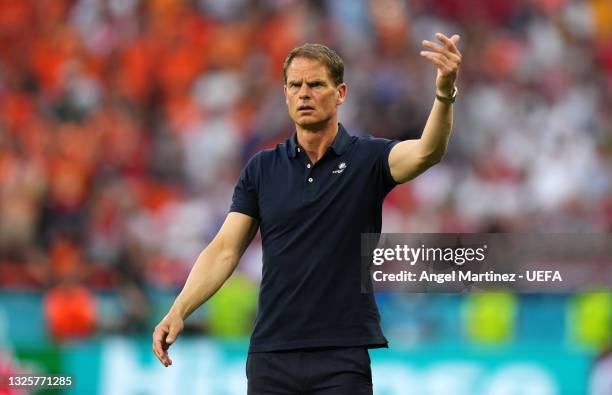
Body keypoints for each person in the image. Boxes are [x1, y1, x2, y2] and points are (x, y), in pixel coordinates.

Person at [152, 33, 462, 394]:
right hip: (272, 355)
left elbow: (428, 152)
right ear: (284, 94)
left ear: (340, 93)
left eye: (316, 84)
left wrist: (445, 93)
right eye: (295, 85)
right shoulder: (262, 169)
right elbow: (224, 249)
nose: (304, 93)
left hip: (341, 357)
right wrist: (179, 309)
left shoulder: (368, 159)